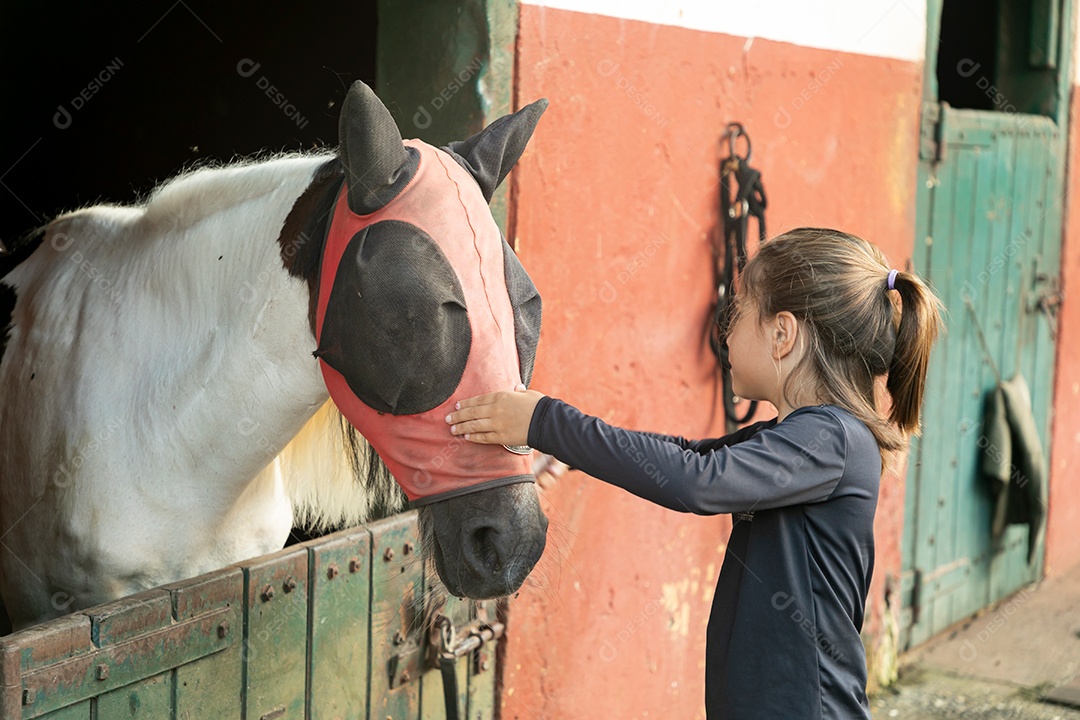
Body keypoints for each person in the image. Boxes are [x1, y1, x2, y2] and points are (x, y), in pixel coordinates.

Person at [445, 227, 945, 719]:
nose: (726, 330)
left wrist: (545, 419)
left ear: (782, 333)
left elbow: (695, 480)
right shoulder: (800, 437)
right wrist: (567, 446)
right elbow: (690, 456)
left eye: (739, 311)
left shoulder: (833, 438)